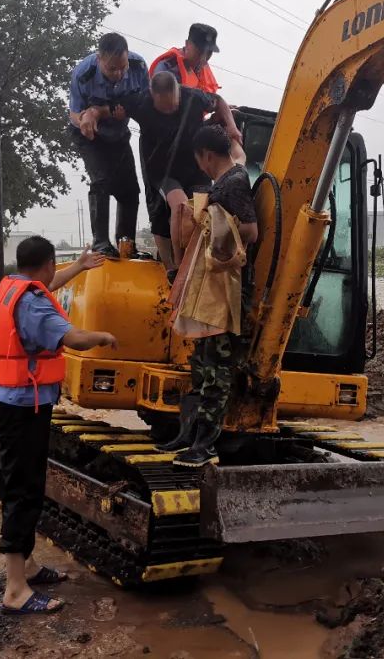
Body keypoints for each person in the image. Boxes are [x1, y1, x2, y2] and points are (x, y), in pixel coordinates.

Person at [0, 237, 116, 614]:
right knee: (23, 493)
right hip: (25, 411)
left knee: (25, 487)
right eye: (54, 267)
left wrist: (79, 266)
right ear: (46, 264)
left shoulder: (12, 289)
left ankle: (25, 566)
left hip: (11, 404)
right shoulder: (34, 302)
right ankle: (14, 590)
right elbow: (72, 338)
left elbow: (47, 288)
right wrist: (103, 337)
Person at [160, 126, 258, 468]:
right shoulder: (232, 174)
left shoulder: (232, 185)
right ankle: (189, 435)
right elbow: (240, 154)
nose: (199, 165)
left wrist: (211, 230)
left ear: (206, 155)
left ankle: (206, 445)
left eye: (199, 158)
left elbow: (250, 230)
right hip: (210, 292)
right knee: (201, 366)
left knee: (216, 370)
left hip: (225, 292)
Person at [126, 71, 242, 271]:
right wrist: (93, 115)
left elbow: (220, 101)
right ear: (153, 96)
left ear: (178, 92)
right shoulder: (140, 102)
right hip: (163, 172)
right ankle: (177, 267)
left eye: (173, 104)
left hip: (195, 168)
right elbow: (110, 107)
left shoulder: (193, 97)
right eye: (164, 107)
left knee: (201, 213)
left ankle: (199, 261)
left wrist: (232, 127)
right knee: (181, 208)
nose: (170, 109)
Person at [69, 33, 149, 258]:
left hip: (119, 134)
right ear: (99, 59)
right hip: (90, 136)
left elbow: (145, 102)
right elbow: (73, 113)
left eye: (122, 67)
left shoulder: (138, 66)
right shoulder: (83, 74)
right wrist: (85, 118)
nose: (119, 73)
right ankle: (100, 242)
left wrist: (105, 110)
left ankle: (126, 244)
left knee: (130, 190)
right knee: (101, 181)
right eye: (112, 68)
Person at [149, 23, 222, 94]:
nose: (204, 58)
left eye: (209, 52)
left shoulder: (200, 67)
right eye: (200, 51)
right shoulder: (166, 69)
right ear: (187, 44)